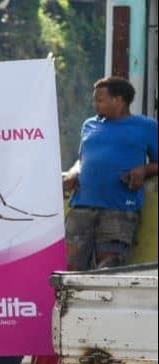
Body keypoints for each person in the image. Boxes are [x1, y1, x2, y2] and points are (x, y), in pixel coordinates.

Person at [63, 76, 158, 270]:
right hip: (81, 208)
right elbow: (82, 160)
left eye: (99, 100)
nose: (94, 104)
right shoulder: (89, 125)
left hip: (120, 209)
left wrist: (144, 169)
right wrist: (73, 173)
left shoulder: (147, 126)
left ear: (119, 100)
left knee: (108, 268)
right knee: (69, 267)